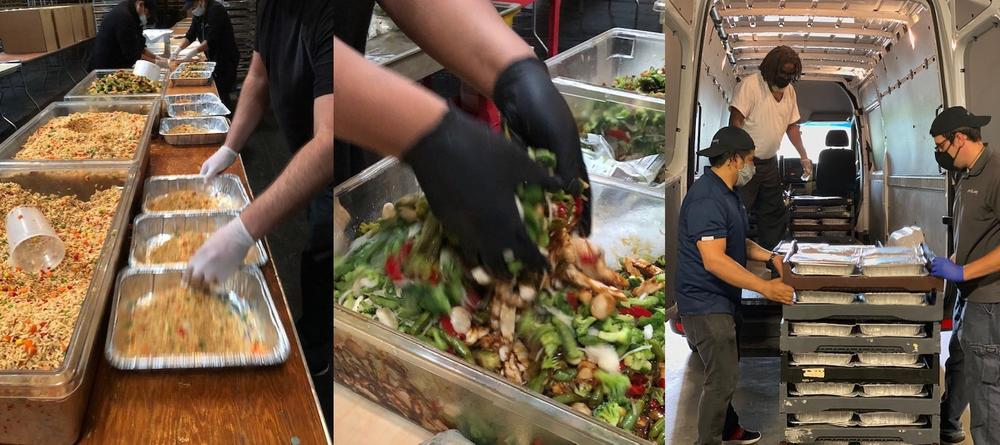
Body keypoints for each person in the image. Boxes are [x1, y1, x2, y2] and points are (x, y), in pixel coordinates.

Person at [676, 126, 795, 445]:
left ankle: (730, 430)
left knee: (725, 372)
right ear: (734, 159)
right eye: (750, 160)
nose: (752, 167)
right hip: (704, 304)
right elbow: (714, 259)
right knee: (721, 381)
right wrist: (765, 287)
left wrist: (770, 257)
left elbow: (735, 240)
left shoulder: (726, 192)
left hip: (722, 300)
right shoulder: (707, 198)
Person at [928, 106, 1000, 445]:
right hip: (966, 296)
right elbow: (975, 236)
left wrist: (964, 270)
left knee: (985, 387)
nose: (940, 154)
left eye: (941, 146)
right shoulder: (967, 175)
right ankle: (949, 423)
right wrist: (951, 261)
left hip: (988, 301)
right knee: (959, 361)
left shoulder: (996, 174)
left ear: (960, 138)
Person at [728, 45, 813, 250]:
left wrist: (804, 157)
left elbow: (791, 126)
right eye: (782, 72)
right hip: (746, 162)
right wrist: (741, 157)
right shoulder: (751, 85)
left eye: (790, 74)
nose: (785, 77)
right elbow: (735, 122)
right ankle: (733, 264)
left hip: (769, 164)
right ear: (770, 69)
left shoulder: (789, 91)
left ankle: (773, 265)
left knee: (774, 215)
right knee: (737, 213)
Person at [176, 0, 240, 108]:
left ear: (201, 1)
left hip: (225, 59)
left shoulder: (216, 10)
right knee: (217, 91)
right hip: (213, 57)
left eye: (193, 6)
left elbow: (212, 39)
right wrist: (178, 50)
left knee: (222, 93)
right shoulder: (200, 13)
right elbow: (191, 34)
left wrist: (191, 53)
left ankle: (228, 118)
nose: (193, 10)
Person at [89, 0, 167, 70]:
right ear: (141, 4)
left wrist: (156, 57)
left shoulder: (133, 12)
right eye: (148, 14)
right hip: (105, 68)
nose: (147, 18)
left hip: (118, 62)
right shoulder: (124, 18)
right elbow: (133, 55)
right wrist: (156, 63)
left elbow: (139, 46)